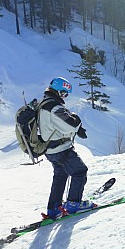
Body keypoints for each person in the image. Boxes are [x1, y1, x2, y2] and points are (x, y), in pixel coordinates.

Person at [39, 77, 95, 219]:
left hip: (50, 149)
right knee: (80, 171)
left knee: (61, 175)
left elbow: (58, 126)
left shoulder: (44, 104)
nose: (65, 96)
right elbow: (71, 124)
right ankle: (74, 204)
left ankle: (54, 208)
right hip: (61, 149)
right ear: (58, 91)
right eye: (64, 93)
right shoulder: (54, 107)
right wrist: (76, 118)